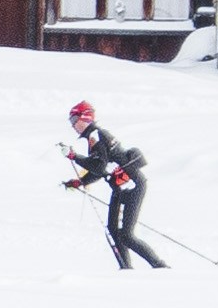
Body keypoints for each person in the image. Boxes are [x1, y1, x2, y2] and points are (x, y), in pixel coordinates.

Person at [63, 98, 157, 269]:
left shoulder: (96, 136)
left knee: (126, 235)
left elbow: (98, 166)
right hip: (122, 187)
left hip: (132, 186)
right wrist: (81, 181)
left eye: (74, 120)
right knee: (113, 231)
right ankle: (126, 269)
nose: (73, 125)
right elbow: (103, 168)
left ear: (86, 118)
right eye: (71, 121)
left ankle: (159, 266)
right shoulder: (95, 136)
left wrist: (74, 157)